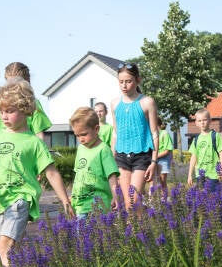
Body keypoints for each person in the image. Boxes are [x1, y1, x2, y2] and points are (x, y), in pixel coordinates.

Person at [0, 80, 73, 267]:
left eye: (10, 111)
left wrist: (65, 201)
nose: (4, 116)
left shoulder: (35, 143)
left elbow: (51, 173)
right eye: (2, 111)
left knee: (5, 244)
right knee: (10, 249)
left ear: (25, 110)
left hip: (21, 199)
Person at [110, 63, 159, 209]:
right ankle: (134, 231)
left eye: (128, 81)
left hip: (142, 156)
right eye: (121, 81)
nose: (124, 85)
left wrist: (154, 162)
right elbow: (115, 133)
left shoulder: (147, 102)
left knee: (134, 199)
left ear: (138, 80)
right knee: (127, 204)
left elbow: (155, 133)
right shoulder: (114, 104)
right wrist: (112, 158)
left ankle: (140, 230)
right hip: (121, 156)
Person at [69, 107, 120, 218]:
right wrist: (72, 197)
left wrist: (116, 195)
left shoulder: (103, 150)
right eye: (77, 135)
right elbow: (78, 174)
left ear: (96, 129)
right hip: (81, 205)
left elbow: (112, 175)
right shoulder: (80, 149)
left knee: (99, 234)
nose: (80, 139)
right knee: (81, 234)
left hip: (99, 204)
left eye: (84, 134)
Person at [0, 62, 52, 140]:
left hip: (23, 147)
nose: (13, 87)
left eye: (16, 84)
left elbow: (39, 135)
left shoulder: (33, 103)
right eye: (9, 83)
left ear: (26, 83)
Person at [187, 109, 222, 185]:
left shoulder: (215, 136)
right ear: (196, 123)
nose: (202, 123)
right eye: (199, 121)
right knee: (202, 196)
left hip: (214, 175)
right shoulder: (196, 139)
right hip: (200, 175)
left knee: (213, 196)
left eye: (204, 120)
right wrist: (190, 175)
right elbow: (193, 157)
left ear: (210, 121)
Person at [155, 118, 174, 189]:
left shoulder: (164, 133)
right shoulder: (153, 135)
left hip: (163, 160)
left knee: (162, 181)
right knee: (155, 180)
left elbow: (167, 151)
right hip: (155, 160)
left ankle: (164, 198)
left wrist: (155, 157)